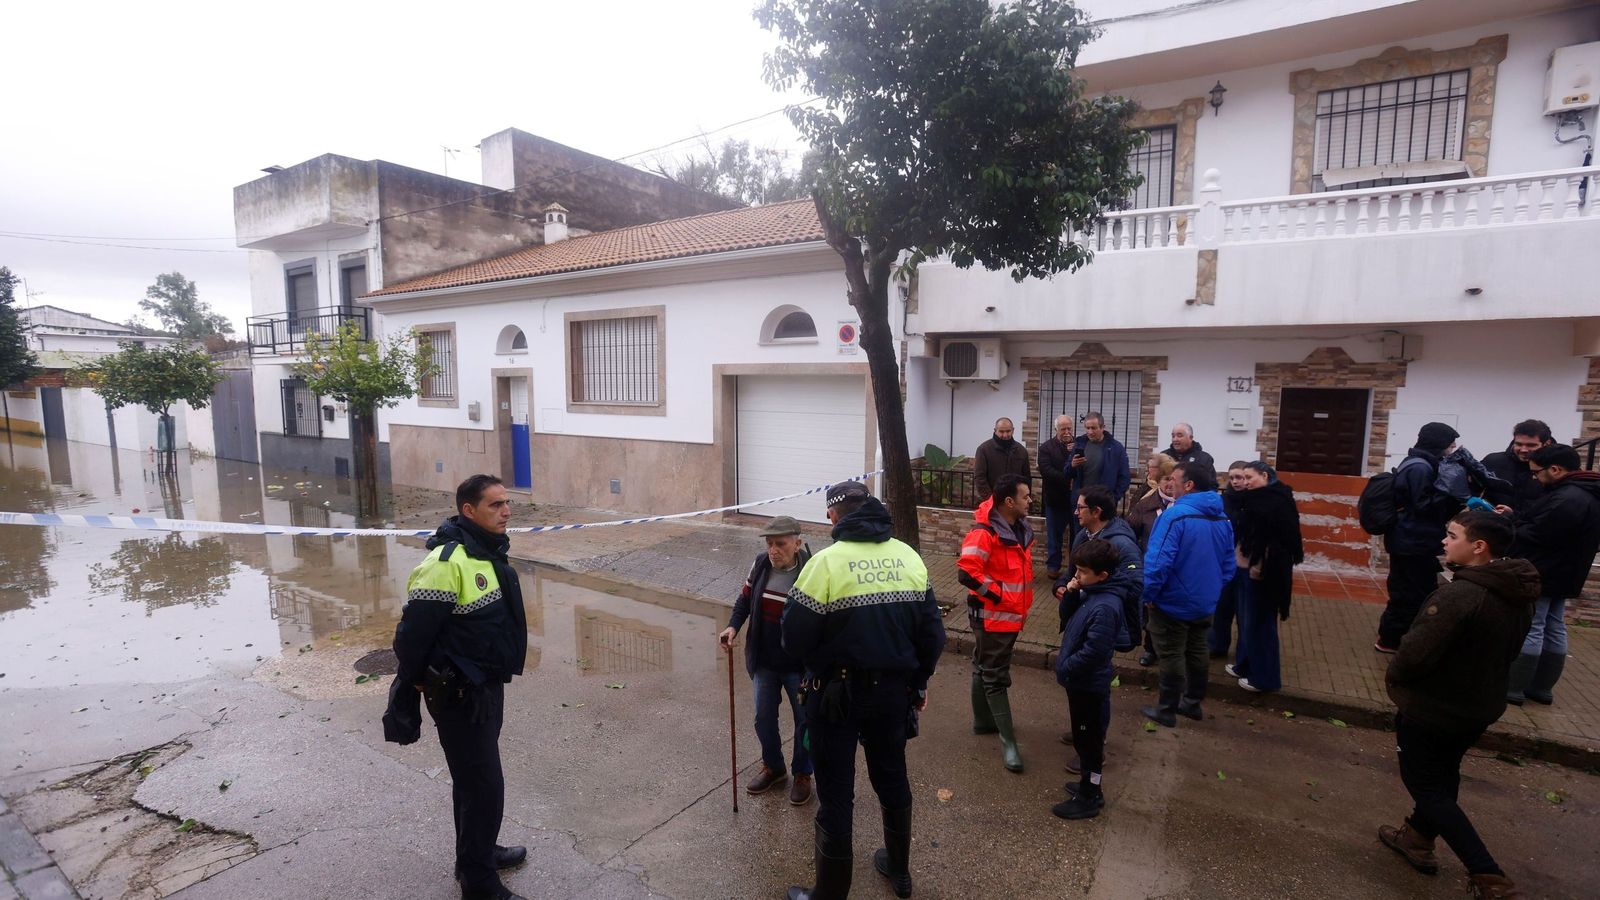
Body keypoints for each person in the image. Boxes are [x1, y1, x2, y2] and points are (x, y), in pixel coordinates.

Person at [782, 481, 946, 900]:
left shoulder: (825, 563)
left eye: (828, 514)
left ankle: (830, 894)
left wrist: (821, 663)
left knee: (836, 793)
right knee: (892, 777)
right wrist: (918, 681)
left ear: (837, 516)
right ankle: (899, 871)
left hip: (834, 696)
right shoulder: (908, 556)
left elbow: (793, 638)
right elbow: (932, 635)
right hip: (892, 695)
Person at [1379, 511, 1537, 900]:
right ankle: (1417, 837)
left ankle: (1488, 875)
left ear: (1478, 547)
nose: (1444, 542)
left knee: (1426, 784)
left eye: (1452, 536)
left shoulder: (1459, 594)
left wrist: (1397, 680)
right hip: (1479, 705)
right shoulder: (1516, 591)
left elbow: (1414, 654)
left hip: (1435, 708)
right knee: (1443, 772)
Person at [394, 474, 529, 900]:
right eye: (495, 505)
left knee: (473, 781)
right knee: (484, 785)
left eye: (507, 503)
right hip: (459, 695)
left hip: (486, 685)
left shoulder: (484, 553)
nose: (506, 511)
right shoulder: (445, 563)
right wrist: (419, 682)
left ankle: (477, 851)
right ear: (469, 510)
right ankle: (478, 879)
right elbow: (411, 640)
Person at [719, 516, 814, 804]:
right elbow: (745, 600)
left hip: (799, 665)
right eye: (770, 544)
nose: (774, 550)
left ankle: (802, 773)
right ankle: (774, 767)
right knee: (763, 719)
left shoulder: (812, 571)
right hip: (765, 660)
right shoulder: (760, 564)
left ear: (797, 543)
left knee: (805, 721)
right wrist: (733, 626)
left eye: (780, 544)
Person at [1052, 485, 1141, 775]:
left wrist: (1098, 594)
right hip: (1083, 613)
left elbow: (1134, 584)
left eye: (1080, 507)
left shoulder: (1122, 544)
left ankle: (1094, 746)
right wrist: (1065, 586)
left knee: (1094, 687)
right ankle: (1082, 731)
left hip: (1100, 620)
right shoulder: (1083, 535)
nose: (1075, 512)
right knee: (1081, 694)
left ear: (1096, 512)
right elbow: (1071, 572)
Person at [1502, 444, 1600, 706]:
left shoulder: (1567, 498)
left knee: (1532, 626)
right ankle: (1541, 687)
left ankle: (1514, 687)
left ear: (1555, 470)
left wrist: (1510, 525)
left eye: (1537, 472)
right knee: (1555, 626)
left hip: (1543, 571)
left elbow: (1539, 534)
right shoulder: (1585, 492)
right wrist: (1516, 516)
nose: (1534, 477)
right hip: (1567, 572)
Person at [1140, 461, 1235, 728]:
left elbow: (1158, 562)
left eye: (1175, 479)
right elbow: (1229, 562)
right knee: (1197, 650)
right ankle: (1192, 703)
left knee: (1171, 654)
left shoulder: (1174, 516)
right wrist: (1214, 589)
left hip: (1172, 602)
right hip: (1205, 601)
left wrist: (1149, 594)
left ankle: (1167, 709)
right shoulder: (1222, 517)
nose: (1171, 484)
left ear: (1189, 485)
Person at [956, 473, 1035, 774]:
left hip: (1008, 616)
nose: (1031, 500)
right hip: (995, 617)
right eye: (1026, 496)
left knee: (983, 665)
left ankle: (982, 722)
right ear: (1009, 501)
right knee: (995, 675)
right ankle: (1008, 741)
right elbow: (967, 573)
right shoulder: (984, 533)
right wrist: (1000, 597)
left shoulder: (1016, 527)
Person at [1051, 540, 1128, 821]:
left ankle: (1091, 795)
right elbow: (1066, 616)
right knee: (1084, 739)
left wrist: (1066, 667)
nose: (1076, 576)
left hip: (1088, 685)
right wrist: (1071, 592)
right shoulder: (1091, 592)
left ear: (1102, 576)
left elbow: (1095, 652)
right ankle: (1087, 784)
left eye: (1082, 572)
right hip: (1080, 683)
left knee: (1090, 743)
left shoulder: (1105, 606)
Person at [1376, 423, 1466, 654]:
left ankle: (1395, 636)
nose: (1453, 448)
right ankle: (1391, 640)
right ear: (1438, 444)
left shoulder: (1422, 464)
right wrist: (1452, 497)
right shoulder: (1420, 468)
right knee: (1408, 593)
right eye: (1450, 444)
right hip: (1411, 542)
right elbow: (1422, 506)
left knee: (1415, 590)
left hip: (1414, 540)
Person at [1222, 462, 1303, 693]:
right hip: (1246, 568)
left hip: (1264, 574)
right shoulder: (1256, 498)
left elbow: (1276, 542)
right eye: (1242, 478)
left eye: (1249, 477)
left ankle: (1265, 678)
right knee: (1248, 621)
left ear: (1265, 476)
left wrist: (1259, 568)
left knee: (1261, 624)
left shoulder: (1274, 501)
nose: (1245, 482)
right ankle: (1245, 665)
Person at [1126, 452, 1178, 667]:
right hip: (1151, 567)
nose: (1170, 485)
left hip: (1176, 571)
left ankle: (1173, 651)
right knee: (1151, 612)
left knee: (1172, 613)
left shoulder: (1185, 507)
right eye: (1166, 479)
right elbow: (1130, 534)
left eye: (1174, 480)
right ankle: (1151, 649)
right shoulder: (1145, 505)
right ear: (1159, 481)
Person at [1208, 461, 1254, 659]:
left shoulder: (1254, 500)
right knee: (1222, 607)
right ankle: (1217, 645)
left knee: (1244, 612)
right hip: (1224, 561)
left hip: (1246, 561)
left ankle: (1244, 651)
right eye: (1232, 477)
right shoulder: (1224, 499)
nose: (1235, 482)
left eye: (1240, 477)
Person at [1037, 414, 1078, 578]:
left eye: (1069, 428)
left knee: (1077, 537)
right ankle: (1053, 567)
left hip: (1076, 501)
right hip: (1055, 499)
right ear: (1056, 430)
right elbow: (1046, 471)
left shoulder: (1080, 445)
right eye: (1063, 429)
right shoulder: (1046, 448)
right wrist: (1067, 478)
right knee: (1055, 537)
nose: (1067, 432)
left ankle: (1074, 569)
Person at [1482, 419, 1553, 512]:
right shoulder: (1493, 461)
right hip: (1490, 522)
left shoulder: (1555, 469)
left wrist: (1514, 515)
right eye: (1518, 444)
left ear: (1546, 444)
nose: (1523, 450)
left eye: (1531, 445)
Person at [1070, 412, 1131, 504]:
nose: (1090, 432)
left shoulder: (1116, 448)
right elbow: (1067, 472)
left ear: (1103, 427)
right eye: (1087, 428)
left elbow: (1124, 477)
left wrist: (1113, 498)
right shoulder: (1080, 444)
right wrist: (1072, 465)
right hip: (1081, 502)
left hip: (1103, 503)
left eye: (1093, 428)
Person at [974, 416, 1030, 500]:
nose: (1005, 435)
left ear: (1013, 430)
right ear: (995, 431)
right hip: (992, 501)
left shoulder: (1022, 451)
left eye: (1008, 431)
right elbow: (980, 477)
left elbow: (1026, 477)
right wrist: (990, 499)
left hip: (1015, 501)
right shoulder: (983, 450)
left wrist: (1023, 498)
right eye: (1001, 431)